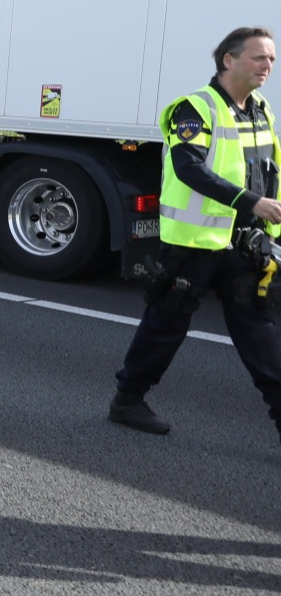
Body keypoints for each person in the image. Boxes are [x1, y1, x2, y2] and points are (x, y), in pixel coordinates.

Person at [110, 26, 281, 445]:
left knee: (260, 335)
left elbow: (268, 170)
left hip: (245, 244)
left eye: (272, 59)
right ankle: (127, 401)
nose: (268, 66)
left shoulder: (260, 109)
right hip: (194, 245)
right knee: (165, 326)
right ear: (229, 60)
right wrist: (251, 202)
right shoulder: (195, 108)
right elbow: (190, 168)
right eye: (259, 57)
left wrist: (267, 219)